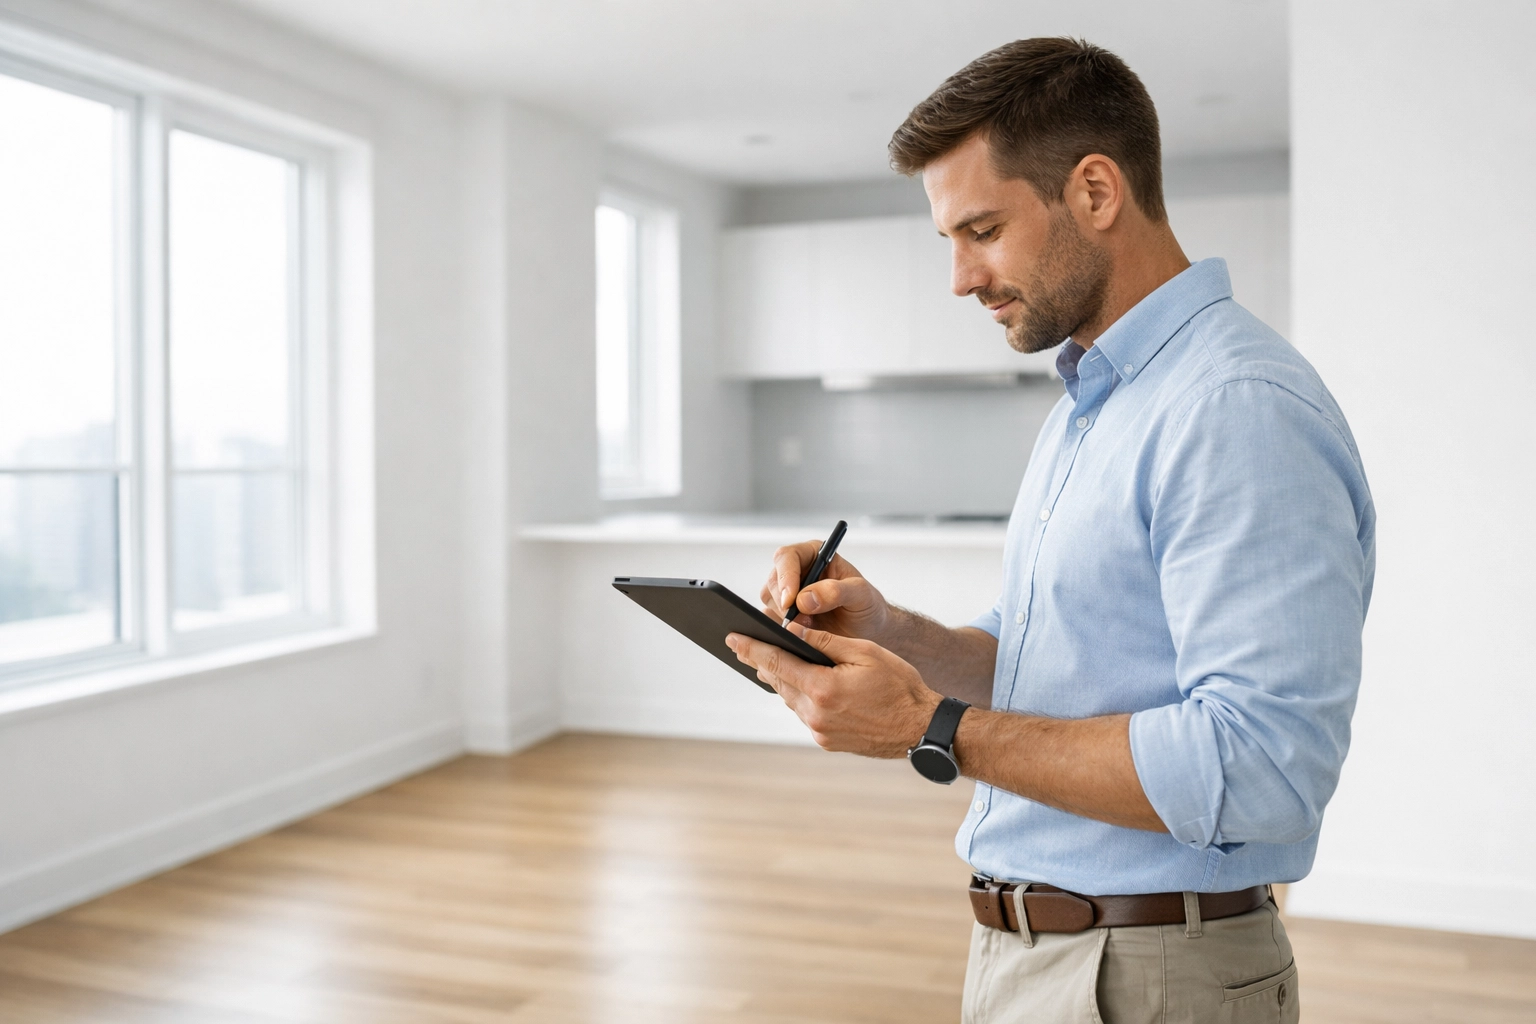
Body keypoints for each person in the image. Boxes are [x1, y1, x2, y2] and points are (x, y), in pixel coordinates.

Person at [724, 37, 1374, 1024]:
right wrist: (892, 634)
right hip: (1040, 955)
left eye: (981, 228)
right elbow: (1044, 661)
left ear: (1096, 192)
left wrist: (930, 727)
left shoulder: (1234, 406)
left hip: (1149, 975)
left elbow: (1265, 770)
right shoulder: (1092, 401)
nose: (958, 277)